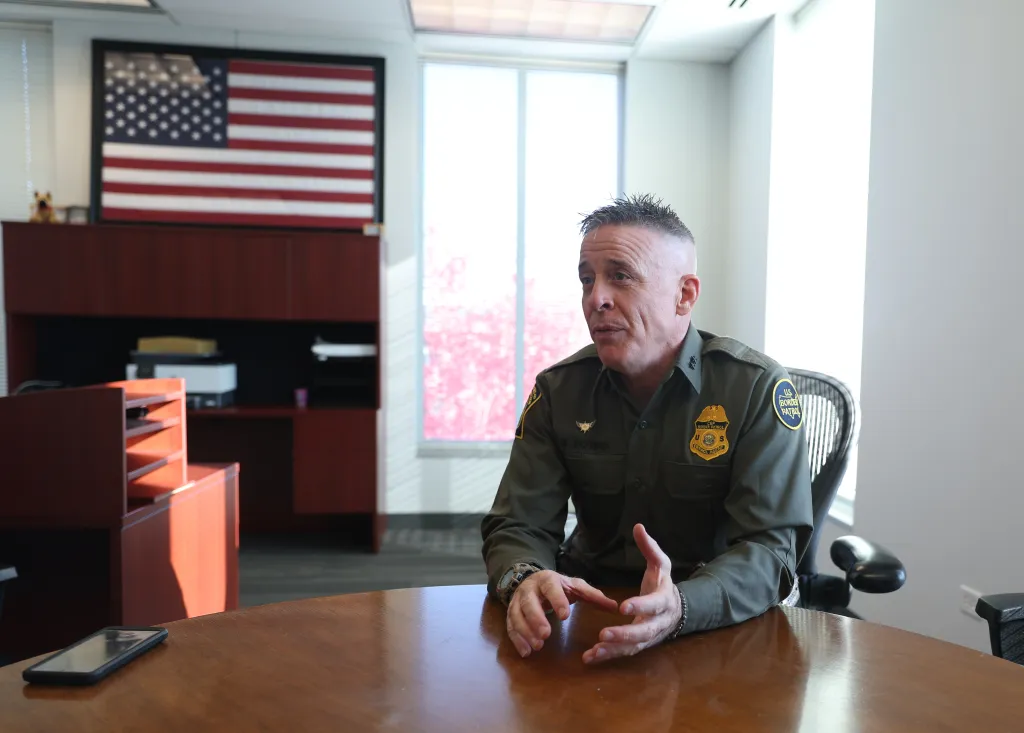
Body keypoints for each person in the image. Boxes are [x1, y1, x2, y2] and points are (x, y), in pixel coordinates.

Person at [481, 194, 813, 665]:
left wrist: (683, 604)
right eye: (586, 279)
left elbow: (769, 549)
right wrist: (525, 576)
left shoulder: (753, 389)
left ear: (685, 295)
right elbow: (519, 522)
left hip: (715, 629)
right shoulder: (560, 391)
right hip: (588, 616)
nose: (596, 298)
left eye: (620, 276)